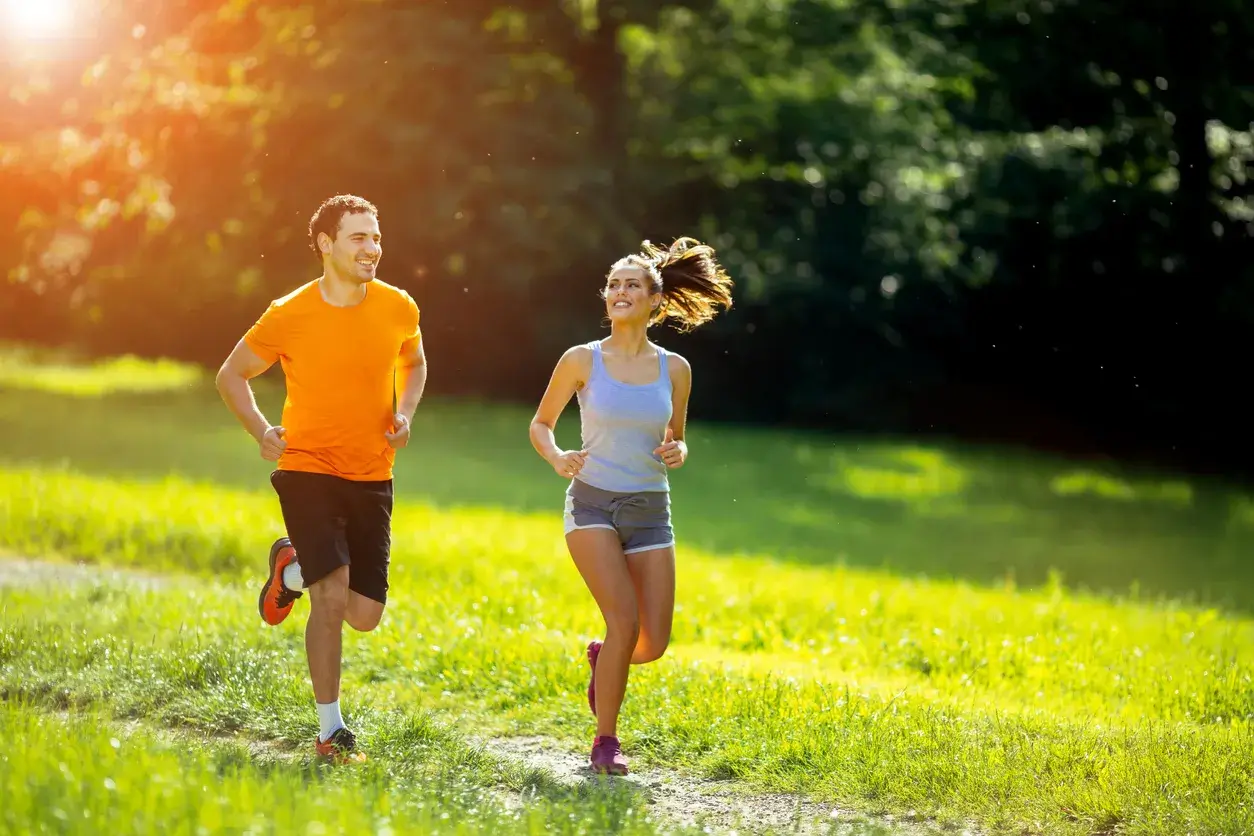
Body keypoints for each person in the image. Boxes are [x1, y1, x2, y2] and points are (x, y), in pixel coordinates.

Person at [214, 194, 427, 763]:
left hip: (372, 471)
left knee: (364, 615)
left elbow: (415, 362)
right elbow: (231, 374)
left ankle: (295, 566)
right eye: (359, 238)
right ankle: (331, 732)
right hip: (307, 464)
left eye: (376, 237)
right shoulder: (289, 312)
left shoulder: (398, 307)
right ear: (325, 244)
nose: (372, 248)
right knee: (330, 601)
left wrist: (404, 413)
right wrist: (261, 429)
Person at [528, 236, 734, 775]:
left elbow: (677, 436)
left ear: (654, 301)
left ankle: (602, 659)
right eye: (614, 284)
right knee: (623, 619)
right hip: (591, 504)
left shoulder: (676, 369)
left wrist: (678, 449)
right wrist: (556, 457)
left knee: (652, 642)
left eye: (632, 285)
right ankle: (605, 743)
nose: (620, 291)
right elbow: (540, 424)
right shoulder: (581, 360)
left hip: (650, 509)